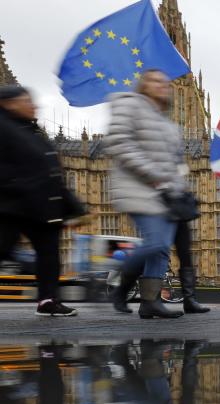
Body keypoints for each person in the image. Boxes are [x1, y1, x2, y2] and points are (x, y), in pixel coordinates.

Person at [104, 70, 186, 319]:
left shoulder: (165, 121)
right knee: (157, 243)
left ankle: (150, 301)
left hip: (165, 196)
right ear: (143, 85)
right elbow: (118, 142)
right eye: (155, 81)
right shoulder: (129, 105)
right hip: (138, 189)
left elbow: (175, 161)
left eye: (165, 82)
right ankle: (120, 285)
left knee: (161, 250)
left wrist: (179, 188)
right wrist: (154, 174)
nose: (162, 86)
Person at [0, 85, 85, 317]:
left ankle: (48, 300)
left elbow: (52, 174)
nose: (33, 105)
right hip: (13, 205)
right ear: (10, 103)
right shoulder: (5, 128)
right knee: (4, 248)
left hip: (40, 206)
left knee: (49, 254)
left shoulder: (33, 132)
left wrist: (75, 208)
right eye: (26, 101)